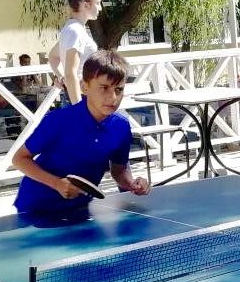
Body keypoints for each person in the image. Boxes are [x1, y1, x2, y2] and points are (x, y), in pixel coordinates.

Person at [12, 49, 150, 216]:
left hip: (80, 207)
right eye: (104, 88)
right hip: (37, 207)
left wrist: (132, 184)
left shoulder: (121, 126)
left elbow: (119, 170)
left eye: (119, 90)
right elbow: (19, 159)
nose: (113, 97)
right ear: (84, 86)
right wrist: (57, 183)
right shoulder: (59, 120)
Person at [48, 0, 101, 104]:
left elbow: (53, 56)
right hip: (81, 97)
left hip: (82, 95)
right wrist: (77, 107)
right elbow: (71, 72)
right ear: (85, 5)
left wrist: (60, 76)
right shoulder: (75, 31)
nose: (100, 8)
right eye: (98, 3)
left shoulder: (72, 28)